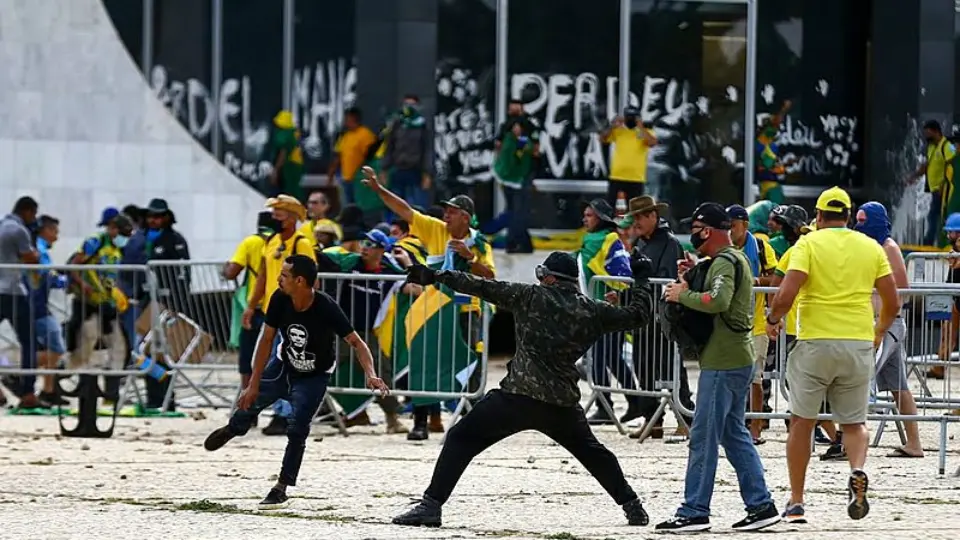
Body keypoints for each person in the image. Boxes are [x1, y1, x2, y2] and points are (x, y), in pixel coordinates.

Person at [391, 250, 656, 528]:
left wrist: (436, 276)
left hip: (517, 397)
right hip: (561, 403)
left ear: (549, 277)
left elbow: (480, 286)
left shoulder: (530, 296)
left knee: (460, 439)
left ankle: (431, 506)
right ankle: (633, 507)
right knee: (595, 454)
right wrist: (641, 279)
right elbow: (638, 315)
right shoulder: (592, 310)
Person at [204, 255, 389, 509]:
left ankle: (281, 487)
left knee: (298, 428)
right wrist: (253, 383)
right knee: (248, 403)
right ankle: (234, 429)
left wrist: (371, 373)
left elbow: (357, 342)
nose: (278, 279)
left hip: (314, 376)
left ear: (300, 280)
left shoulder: (326, 307)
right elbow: (266, 341)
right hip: (283, 366)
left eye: (283, 275)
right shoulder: (280, 298)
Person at [767, 186, 900, 523]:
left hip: (815, 342)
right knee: (854, 423)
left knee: (801, 421)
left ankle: (796, 501)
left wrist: (772, 320)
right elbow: (892, 299)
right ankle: (857, 469)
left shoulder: (808, 244)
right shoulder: (870, 247)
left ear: (819, 216)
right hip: (857, 341)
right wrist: (879, 330)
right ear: (848, 215)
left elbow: (786, 292)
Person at [655, 203, 779, 533]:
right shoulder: (727, 260)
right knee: (734, 434)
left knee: (703, 436)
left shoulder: (726, 261)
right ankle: (761, 505)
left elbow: (719, 300)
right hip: (733, 358)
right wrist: (693, 274)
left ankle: (694, 510)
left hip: (723, 363)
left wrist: (682, 296)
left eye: (695, 228)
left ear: (707, 230)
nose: (692, 234)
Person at [363, 166, 494, 440]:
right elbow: (405, 210)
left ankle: (470, 423)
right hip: (433, 309)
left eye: (451, 211)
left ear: (466, 217)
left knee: (469, 365)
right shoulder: (436, 230)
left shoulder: (480, 244)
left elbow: (490, 277)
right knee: (425, 362)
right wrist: (377, 190)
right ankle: (421, 422)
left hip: (466, 311)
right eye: (445, 210)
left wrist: (470, 258)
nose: (445, 215)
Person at [614, 196, 695, 438]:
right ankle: (653, 421)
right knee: (643, 367)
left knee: (671, 368)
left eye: (640, 217)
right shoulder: (640, 242)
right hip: (643, 317)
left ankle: (686, 418)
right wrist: (624, 297)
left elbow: (664, 279)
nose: (635, 222)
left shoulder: (669, 244)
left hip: (663, 317)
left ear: (653, 216)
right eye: (634, 217)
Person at [318, 229, 408, 433]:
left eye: (371, 244)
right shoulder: (352, 262)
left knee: (379, 373)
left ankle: (392, 418)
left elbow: (414, 288)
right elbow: (325, 259)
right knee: (319, 368)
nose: (364, 248)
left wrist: (408, 264)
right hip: (339, 329)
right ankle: (354, 413)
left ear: (381, 250)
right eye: (364, 242)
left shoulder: (389, 271)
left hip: (365, 332)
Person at [854, 202, 924, 458]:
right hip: (881, 322)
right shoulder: (872, 248)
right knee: (899, 387)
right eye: (857, 220)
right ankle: (914, 443)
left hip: (887, 324)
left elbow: (902, 290)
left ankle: (849, 439)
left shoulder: (889, 248)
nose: (859, 225)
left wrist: (880, 322)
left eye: (863, 220)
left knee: (860, 378)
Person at [243, 195, 317, 436]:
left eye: (279, 214)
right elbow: (263, 276)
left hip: (294, 311)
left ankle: (285, 415)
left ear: (292, 217)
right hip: (272, 311)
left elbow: (312, 279)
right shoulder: (271, 241)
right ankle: (274, 411)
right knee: (270, 364)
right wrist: (251, 305)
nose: (274, 217)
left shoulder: (302, 243)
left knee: (288, 365)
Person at [577, 199, 635, 425]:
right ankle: (630, 401)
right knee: (607, 358)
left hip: (610, 311)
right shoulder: (591, 241)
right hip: (596, 311)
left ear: (600, 218)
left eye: (589, 215)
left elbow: (622, 273)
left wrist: (619, 297)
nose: (585, 219)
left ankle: (609, 405)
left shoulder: (610, 240)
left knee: (603, 359)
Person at [727, 204, 778, 444]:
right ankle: (733, 423)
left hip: (756, 320)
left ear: (745, 225)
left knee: (755, 377)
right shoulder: (723, 247)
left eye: (733, 226)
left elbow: (777, 278)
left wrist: (756, 280)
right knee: (729, 374)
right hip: (729, 321)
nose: (729, 231)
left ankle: (756, 425)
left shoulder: (759, 246)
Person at [142, 199, 190, 411]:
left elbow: (183, 275)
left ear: (167, 217)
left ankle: (166, 400)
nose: (153, 220)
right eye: (151, 216)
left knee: (165, 354)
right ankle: (153, 397)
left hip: (167, 305)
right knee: (144, 352)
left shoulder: (175, 240)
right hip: (146, 304)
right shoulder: (141, 238)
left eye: (158, 216)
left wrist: (177, 306)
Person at [224, 211, 278, 400]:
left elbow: (231, 272)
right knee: (275, 357)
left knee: (248, 358)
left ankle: (247, 402)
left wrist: (225, 268)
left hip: (255, 309)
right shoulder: (280, 243)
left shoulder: (250, 243)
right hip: (278, 308)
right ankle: (275, 402)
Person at [0, 197, 41, 408]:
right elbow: (31, 258)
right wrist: (35, 250)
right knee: (29, 341)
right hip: (13, 291)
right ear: (27, 211)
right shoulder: (18, 230)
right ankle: (27, 393)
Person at [28, 215, 69, 405]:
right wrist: (63, 281)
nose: (57, 237)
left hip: (37, 304)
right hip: (35, 305)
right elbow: (44, 273)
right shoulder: (39, 247)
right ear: (45, 230)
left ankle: (48, 389)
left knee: (51, 348)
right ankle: (16, 371)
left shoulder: (38, 246)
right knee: (56, 347)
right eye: (55, 232)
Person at [493, 99, 540, 254]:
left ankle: (517, 242)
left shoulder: (530, 126)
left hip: (524, 175)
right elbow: (498, 147)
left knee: (519, 210)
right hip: (508, 175)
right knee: (513, 210)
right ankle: (517, 242)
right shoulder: (504, 128)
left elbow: (536, 150)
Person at [909, 120, 957, 246]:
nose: (926, 136)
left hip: (944, 190)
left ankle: (932, 243)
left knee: (936, 217)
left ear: (936, 131)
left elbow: (951, 165)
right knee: (934, 217)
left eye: (928, 133)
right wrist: (914, 176)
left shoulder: (946, 146)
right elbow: (927, 165)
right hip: (935, 190)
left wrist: (943, 185)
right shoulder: (932, 147)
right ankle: (932, 242)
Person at [380, 95, 432, 212]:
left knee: (416, 206)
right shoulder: (397, 123)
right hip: (397, 169)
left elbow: (427, 150)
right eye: (406, 104)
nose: (408, 108)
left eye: (412, 105)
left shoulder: (422, 125)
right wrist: (384, 169)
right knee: (395, 205)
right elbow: (390, 147)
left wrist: (427, 173)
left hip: (415, 171)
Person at [600, 107, 658, 203]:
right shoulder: (618, 131)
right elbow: (603, 139)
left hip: (636, 177)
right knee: (609, 207)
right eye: (628, 117)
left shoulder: (645, 131)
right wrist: (612, 125)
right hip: (617, 175)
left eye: (633, 117)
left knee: (634, 210)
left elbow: (652, 143)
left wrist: (640, 126)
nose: (630, 120)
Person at [756, 100, 792, 204]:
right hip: (768, 187)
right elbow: (766, 167)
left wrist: (785, 165)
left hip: (771, 186)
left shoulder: (771, 145)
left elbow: (771, 166)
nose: (777, 129)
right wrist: (784, 109)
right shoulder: (761, 143)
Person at [266, 110, 305, 201]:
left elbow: (283, 154)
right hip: (297, 165)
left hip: (289, 166)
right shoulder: (295, 133)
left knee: (288, 194)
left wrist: (276, 170)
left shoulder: (285, 135)